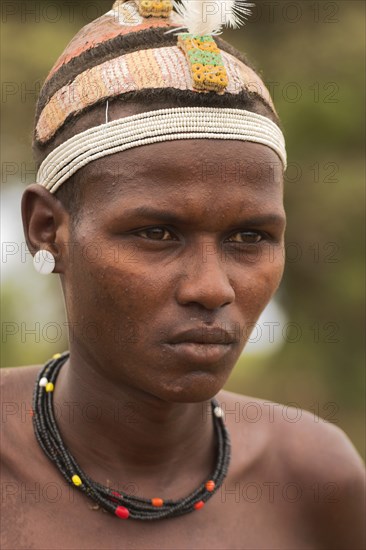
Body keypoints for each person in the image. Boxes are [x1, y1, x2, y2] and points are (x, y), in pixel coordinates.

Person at [1, 0, 365, 548]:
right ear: (47, 228)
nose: (211, 288)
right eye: (156, 234)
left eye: (250, 238)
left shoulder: (315, 478)